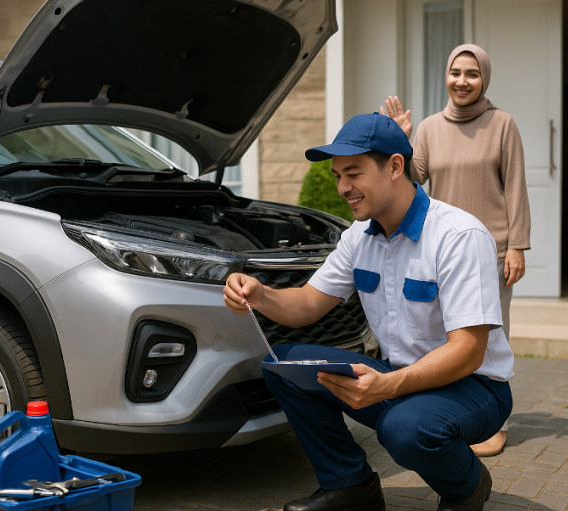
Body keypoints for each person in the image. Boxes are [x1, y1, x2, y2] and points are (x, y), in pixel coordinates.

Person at [223, 112, 514, 511]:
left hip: (474, 387)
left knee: (404, 430)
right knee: (285, 365)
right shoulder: (358, 237)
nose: (343, 187)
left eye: (353, 173)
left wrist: (387, 387)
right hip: (399, 377)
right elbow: (308, 304)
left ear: (395, 166)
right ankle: (350, 486)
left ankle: (468, 485)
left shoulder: (459, 236)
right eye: (338, 175)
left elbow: (468, 351)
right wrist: (260, 295)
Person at [381, 43, 530, 456]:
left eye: (472, 74)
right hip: (441, 249)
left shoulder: (502, 124)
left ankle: (493, 422)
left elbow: (515, 186)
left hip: (494, 249)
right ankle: (451, 413)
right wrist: (403, 141)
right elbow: (413, 180)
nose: (462, 81)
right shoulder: (429, 127)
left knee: (491, 337)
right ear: (446, 76)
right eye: (455, 72)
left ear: (484, 79)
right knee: (447, 339)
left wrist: (518, 245)